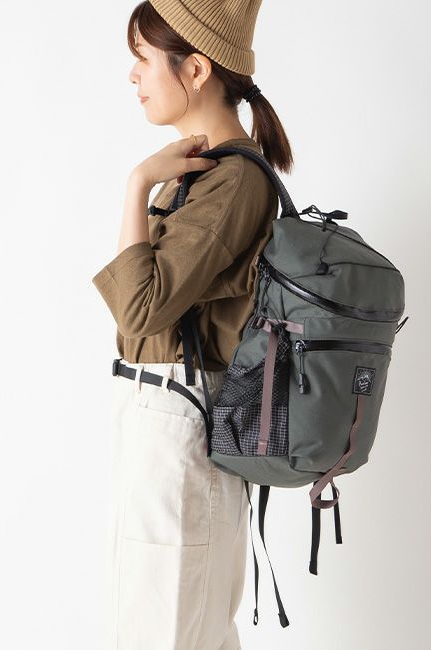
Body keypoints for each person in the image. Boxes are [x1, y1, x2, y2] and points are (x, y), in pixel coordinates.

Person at [91, 1, 294, 647]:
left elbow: (140, 308)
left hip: (179, 422)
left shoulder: (232, 181)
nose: (133, 75)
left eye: (144, 58)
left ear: (197, 69)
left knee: (168, 631)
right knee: (168, 625)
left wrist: (136, 185)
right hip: (160, 415)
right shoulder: (198, 174)